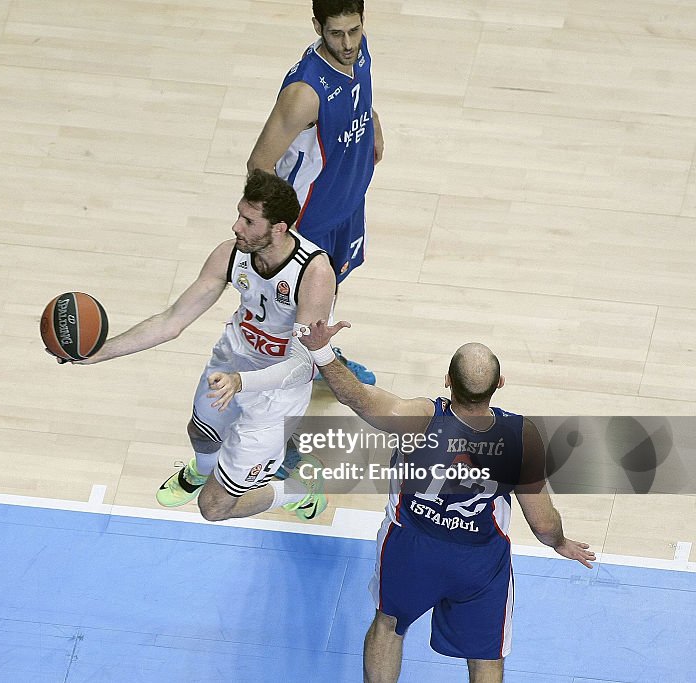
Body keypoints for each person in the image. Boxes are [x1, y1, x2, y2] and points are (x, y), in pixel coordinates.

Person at [296, 321, 597, 683]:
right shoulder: (520, 435)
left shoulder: (421, 419)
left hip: (409, 547)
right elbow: (544, 524)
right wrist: (560, 543)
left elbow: (355, 396)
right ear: (499, 385)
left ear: (447, 381)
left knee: (389, 624)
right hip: (480, 562)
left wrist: (321, 350)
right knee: (485, 657)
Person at [72, 170, 336, 522]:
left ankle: (299, 489)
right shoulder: (231, 254)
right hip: (231, 362)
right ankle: (203, 469)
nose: (235, 227)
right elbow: (172, 321)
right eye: (239, 215)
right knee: (201, 431)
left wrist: (243, 383)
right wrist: (100, 352)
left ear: (279, 228)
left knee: (213, 508)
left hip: (275, 392)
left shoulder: (314, 274)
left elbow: (304, 366)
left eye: (248, 220)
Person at [248, 0, 383, 387]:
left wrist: (373, 121)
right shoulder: (305, 91)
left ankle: (319, 359)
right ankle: (280, 405)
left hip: (348, 202)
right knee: (291, 315)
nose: (346, 43)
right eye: (336, 34)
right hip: (310, 219)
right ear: (316, 26)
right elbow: (259, 162)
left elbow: (360, 96)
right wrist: (277, 230)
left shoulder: (359, 49)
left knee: (329, 291)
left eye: (354, 31)